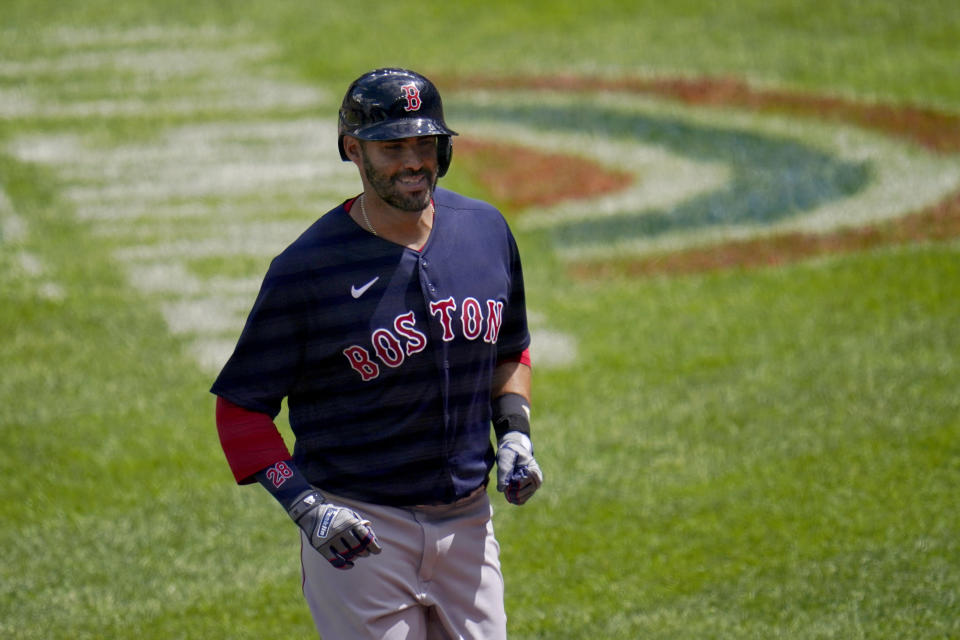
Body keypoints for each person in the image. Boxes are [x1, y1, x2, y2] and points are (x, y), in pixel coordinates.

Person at [211, 67, 543, 640]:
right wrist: (306, 506)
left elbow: (511, 349)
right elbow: (240, 410)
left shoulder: (485, 232)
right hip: (361, 535)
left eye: (426, 143)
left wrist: (515, 432)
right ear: (352, 149)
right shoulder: (307, 270)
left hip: (468, 524)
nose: (414, 161)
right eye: (392, 146)